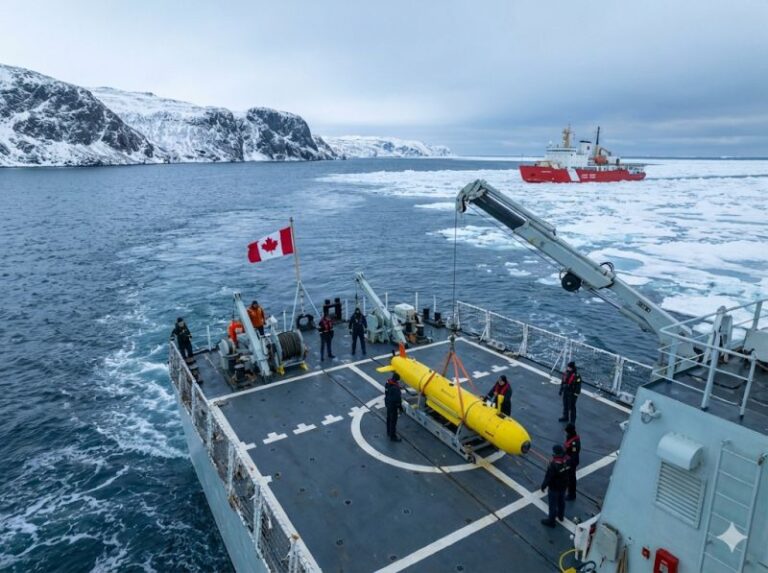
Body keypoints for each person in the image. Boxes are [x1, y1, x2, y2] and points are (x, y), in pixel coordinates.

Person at [540, 444, 569, 527]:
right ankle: (561, 516)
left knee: (552, 505)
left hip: (554, 488)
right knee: (561, 502)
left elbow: (548, 477)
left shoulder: (553, 465)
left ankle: (551, 521)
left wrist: (543, 486)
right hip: (563, 486)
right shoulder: (567, 460)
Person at [384, 372, 404, 441]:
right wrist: (400, 408)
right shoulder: (396, 389)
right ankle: (393, 437)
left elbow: (387, 392)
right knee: (393, 421)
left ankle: (388, 432)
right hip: (393, 406)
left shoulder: (388, 383)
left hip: (388, 402)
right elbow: (398, 400)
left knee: (389, 418)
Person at [564, 423, 581, 500]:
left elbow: (574, 453)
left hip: (572, 462)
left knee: (571, 478)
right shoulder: (570, 436)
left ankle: (572, 494)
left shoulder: (574, 443)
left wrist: (570, 463)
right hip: (567, 459)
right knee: (567, 477)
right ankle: (568, 487)